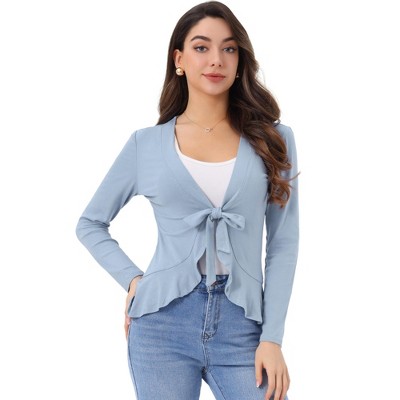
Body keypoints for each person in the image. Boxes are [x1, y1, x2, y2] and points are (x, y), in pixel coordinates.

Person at [76, 2, 299, 399]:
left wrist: (273, 338)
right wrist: (134, 279)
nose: (216, 60)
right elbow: (90, 224)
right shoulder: (146, 145)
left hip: (243, 327)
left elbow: (283, 244)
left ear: (240, 61)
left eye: (229, 48)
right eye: (201, 47)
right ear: (179, 59)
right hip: (161, 324)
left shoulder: (274, 139)